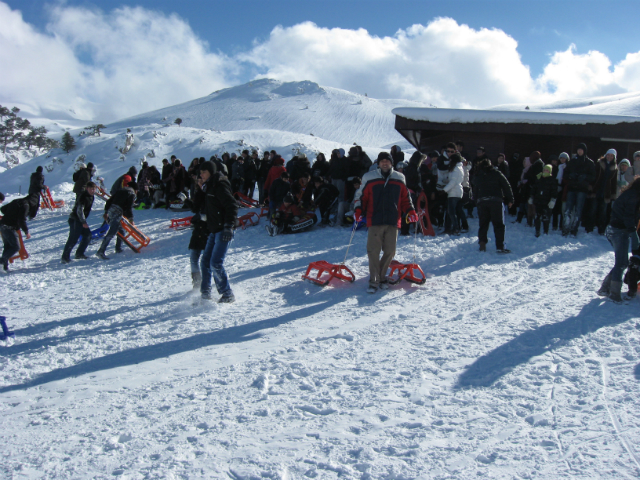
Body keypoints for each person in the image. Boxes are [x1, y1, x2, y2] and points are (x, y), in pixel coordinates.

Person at [354, 152, 417, 293]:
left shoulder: (400, 178)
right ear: (378, 163)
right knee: (373, 252)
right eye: (382, 161)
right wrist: (358, 209)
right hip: (374, 219)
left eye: (387, 161)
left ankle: (382, 277)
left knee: (390, 251)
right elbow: (361, 196)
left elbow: (406, 198)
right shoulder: (369, 177)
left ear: (391, 163)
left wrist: (411, 211)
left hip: (393, 220)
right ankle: (374, 280)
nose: (384, 163)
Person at [199, 161, 238, 303]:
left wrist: (229, 225)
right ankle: (205, 294)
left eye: (203, 172)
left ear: (210, 172)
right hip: (214, 230)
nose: (201, 175)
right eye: (200, 172)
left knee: (215, 263)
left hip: (223, 230)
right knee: (205, 262)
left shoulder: (219, 185)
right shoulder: (209, 187)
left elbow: (232, 205)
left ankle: (227, 294)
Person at [598, 178, 640, 303]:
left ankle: (605, 288)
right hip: (618, 231)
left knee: (622, 262)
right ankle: (614, 294)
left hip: (617, 230)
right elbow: (628, 216)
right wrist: (633, 233)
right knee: (621, 263)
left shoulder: (632, 194)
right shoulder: (633, 197)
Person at [473, 158, 514, 253]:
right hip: (496, 201)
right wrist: (510, 199)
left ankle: (482, 244)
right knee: (499, 225)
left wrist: (476, 201)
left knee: (483, 224)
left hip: (482, 202)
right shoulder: (497, 173)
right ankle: (500, 246)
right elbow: (506, 186)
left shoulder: (478, 175)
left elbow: (475, 190)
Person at [96, 181, 137, 260]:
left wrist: (106, 212)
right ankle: (101, 251)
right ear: (135, 189)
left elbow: (109, 201)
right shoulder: (131, 194)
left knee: (121, 231)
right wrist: (131, 219)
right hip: (116, 213)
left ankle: (118, 248)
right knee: (112, 232)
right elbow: (128, 208)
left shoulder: (121, 191)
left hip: (111, 211)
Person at [562, 143, 595, 236]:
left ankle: (574, 229)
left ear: (584, 151)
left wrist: (585, 177)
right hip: (571, 188)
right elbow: (565, 174)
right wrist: (570, 176)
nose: (580, 151)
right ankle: (566, 228)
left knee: (578, 210)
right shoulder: (572, 162)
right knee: (568, 209)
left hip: (582, 189)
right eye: (578, 149)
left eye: (581, 150)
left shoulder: (589, 163)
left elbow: (593, 177)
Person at [61, 182, 96, 263]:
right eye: (91, 189)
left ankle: (79, 253)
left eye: (94, 189)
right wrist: (83, 221)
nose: (92, 191)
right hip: (75, 219)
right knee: (73, 239)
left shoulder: (91, 197)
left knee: (88, 235)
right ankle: (65, 257)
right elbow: (79, 210)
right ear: (87, 188)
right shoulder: (83, 196)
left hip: (81, 220)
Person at [0, 195, 32, 272]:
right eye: (1, 200)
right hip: (8, 227)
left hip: (3, 225)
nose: (1, 202)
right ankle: (1, 262)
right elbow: (22, 220)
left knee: (8, 246)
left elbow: (3, 209)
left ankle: (4, 267)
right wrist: (26, 231)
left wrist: (10, 215)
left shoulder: (17, 202)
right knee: (15, 247)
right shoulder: (24, 205)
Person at [592, 149, 619, 235]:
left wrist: (613, 194)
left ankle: (601, 229)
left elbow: (614, 182)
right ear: (606, 155)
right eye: (608, 155)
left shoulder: (614, 168)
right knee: (593, 209)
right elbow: (594, 176)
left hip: (606, 192)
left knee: (603, 212)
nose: (609, 157)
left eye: (612, 156)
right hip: (597, 189)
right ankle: (590, 227)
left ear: (614, 157)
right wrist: (591, 187)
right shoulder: (599, 163)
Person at [530, 165, 557, 237]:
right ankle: (537, 231)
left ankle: (545, 231)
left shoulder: (552, 180)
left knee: (546, 217)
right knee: (537, 217)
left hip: (547, 202)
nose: (545, 171)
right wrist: (531, 197)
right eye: (544, 170)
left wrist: (553, 200)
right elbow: (534, 189)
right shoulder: (538, 178)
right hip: (538, 201)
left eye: (547, 170)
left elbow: (554, 191)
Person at [443, 153, 464, 235]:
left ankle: (455, 228)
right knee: (455, 211)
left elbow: (453, 182)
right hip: (456, 191)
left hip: (454, 192)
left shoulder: (456, 169)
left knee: (451, 212)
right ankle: (454, 227)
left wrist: (444, 190)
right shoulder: (459, 168)